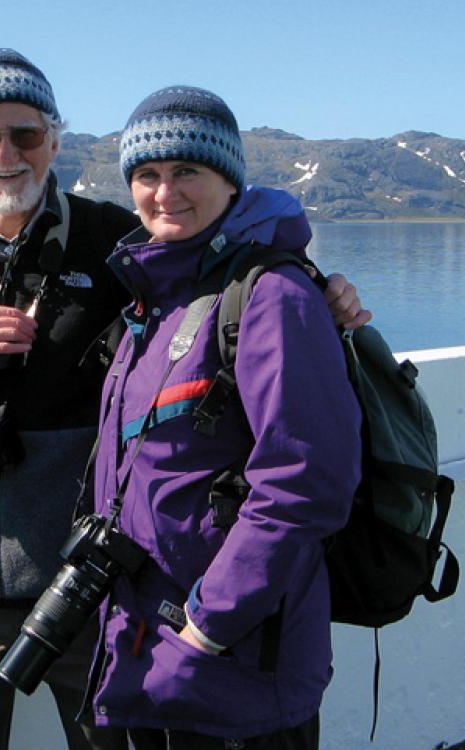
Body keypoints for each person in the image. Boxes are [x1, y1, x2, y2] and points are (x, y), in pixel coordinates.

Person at [0, 50, 366, 750]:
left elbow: (223, 287)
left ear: (55, 139)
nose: (5, 155)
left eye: (25, 135)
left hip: (95, 594)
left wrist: (320, 293)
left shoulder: (119, 247)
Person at [86, 86, 363, 749]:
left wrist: (206, 627)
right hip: (152, 654)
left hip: (231, 662)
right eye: (148, 175)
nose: (165, 192)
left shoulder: (271, 297)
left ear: (229, 182)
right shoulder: (157, 299)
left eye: (188, 171)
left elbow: (306, 483)